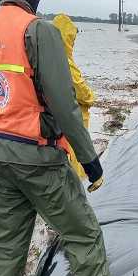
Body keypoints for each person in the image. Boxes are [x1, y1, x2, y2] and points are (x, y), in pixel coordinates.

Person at [0, 0, 112, 276]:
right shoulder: (39, 30)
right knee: (84, 236)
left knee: (5, 250)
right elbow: (65, 104)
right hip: (38, 158)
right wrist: (91, 162)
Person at [52, 13, 96, 180]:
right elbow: (80, 90)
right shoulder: (64, 62)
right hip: (74, 122)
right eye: (72, 38)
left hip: (61, 125)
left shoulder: (47, 59)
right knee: (74, 163)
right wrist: (91, 97)